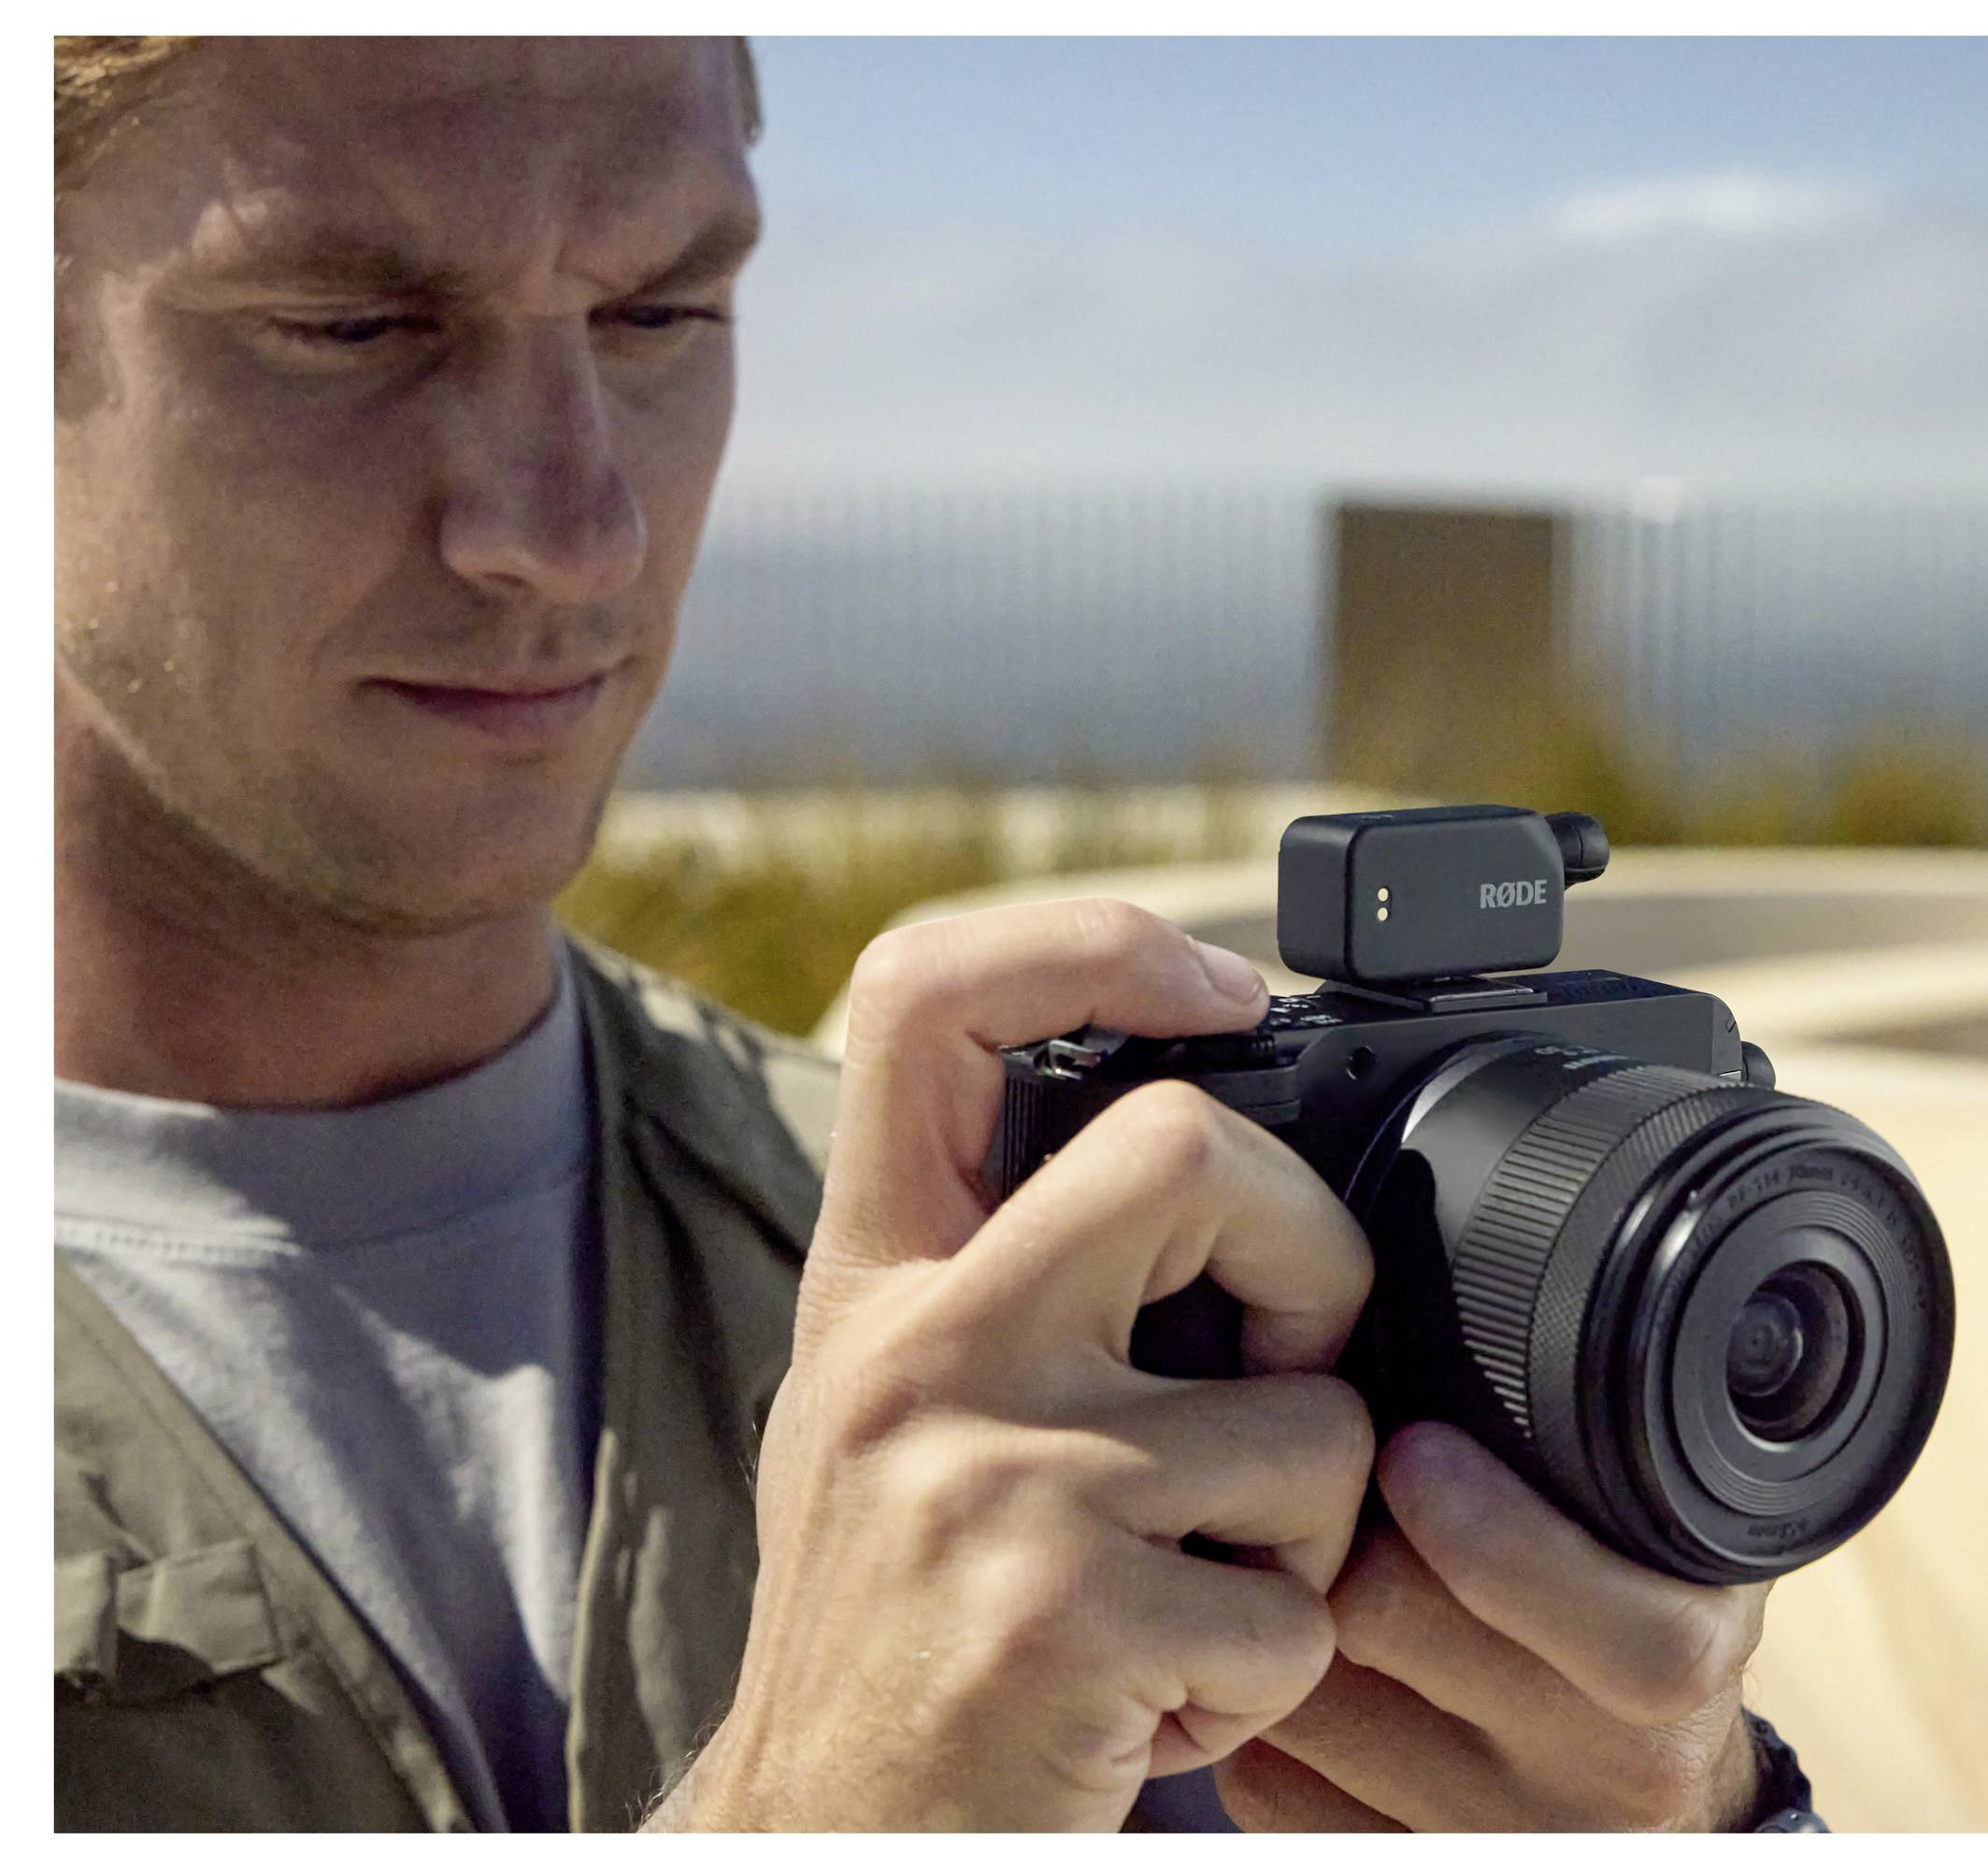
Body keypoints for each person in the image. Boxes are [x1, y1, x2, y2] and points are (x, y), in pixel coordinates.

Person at [52, 36, 1818, 1833]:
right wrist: (812, 1814)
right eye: (349, 327)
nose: (576, 531)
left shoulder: (1030, 1252)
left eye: (661, 312)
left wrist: (1707, 1818)